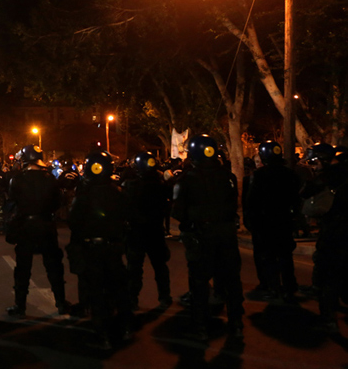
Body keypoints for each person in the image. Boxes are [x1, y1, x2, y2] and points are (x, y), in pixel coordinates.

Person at [171, 135, 244, 340]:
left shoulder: (186, 179)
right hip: (227, 235)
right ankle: (236, 323)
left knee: (200, 283)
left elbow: (177, 211)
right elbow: (234, 204)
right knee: (232, 281)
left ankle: (200, 326)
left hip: (201, 237)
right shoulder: (228, 176)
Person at [67, 150, 132, 349]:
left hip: (92, 249)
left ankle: (102, 333)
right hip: (113, 248)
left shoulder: (83, 195)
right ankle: (125, 327)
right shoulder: (117, 192)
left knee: (96, 291)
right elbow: (126, 218)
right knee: (119, 289)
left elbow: (73, 222)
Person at [5, 145, 69, 317]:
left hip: (25, 226)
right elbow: (57, 203)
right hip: (46, 225)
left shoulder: (17, 179)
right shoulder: (50, 179)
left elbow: (12, 205)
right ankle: (61, 302)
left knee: (23, 268)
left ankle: (20, 306)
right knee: (54, 266)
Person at [244, 141, 301, 301]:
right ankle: (289, 286)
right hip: (284, 222)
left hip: (265, 223)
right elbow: (296, 199)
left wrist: (251, 221)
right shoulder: (290, 174)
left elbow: (251, 201)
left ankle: (273, 286)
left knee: (268, 256)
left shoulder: (259, 176)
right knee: (285, 256)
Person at [301, 143, 348, 333]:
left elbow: (305, 193)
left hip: (336, 231)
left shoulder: (330, 176)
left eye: (314, 161)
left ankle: (328, 318)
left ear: (325, 159)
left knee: (330, 273)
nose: (313, 165)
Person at [122, 151, 172, 310]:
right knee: (160, 266)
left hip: (137, 233)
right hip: (155, 231)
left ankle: (132, 298)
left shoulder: (130, 185)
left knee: (135, 268)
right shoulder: (162, 186)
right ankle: (165, 296)